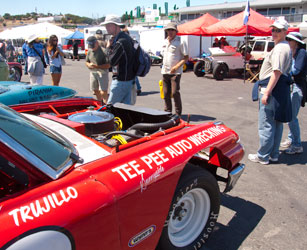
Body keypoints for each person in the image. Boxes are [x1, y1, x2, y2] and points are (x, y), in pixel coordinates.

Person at [248, 19, 292, 165]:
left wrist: (267, 92)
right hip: (279, 90)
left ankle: (263, 155)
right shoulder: (284, 47)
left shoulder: (280, 48)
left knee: (266, 124)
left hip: (272, 89)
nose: (274, 33)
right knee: (277, 123)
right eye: (273, 30)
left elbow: (276, 72)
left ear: (285, 32)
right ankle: (273, 154)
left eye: (278, 30)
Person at [280, 32, 306, 154]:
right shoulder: (293, 53)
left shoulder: (301, 53)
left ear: (296, 42)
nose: (288, 41)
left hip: (298, 87)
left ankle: (297, 145)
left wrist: (284, 70)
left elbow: (296, 70)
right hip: (293, 86)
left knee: (291, 117)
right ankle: (291, 139)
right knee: (291, 116)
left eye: (290, 40)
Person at [101, 14, 136, 105]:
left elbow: (111, 61)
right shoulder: (125, 38)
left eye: (109, 25)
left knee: (111, 108)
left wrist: (108, 48)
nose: (106, 27)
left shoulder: (120, 41)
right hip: (128, 78)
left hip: (121, 80)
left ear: (116, 26)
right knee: (125, 110)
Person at [161, 22, 188, 116]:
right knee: (165, 93)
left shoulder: (181, 42)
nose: (170, 32)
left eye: (172, 30)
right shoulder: (165, 41)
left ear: (176, 31)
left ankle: (177, 114)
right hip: (165, 71)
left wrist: (176, 66)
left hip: (175, 73)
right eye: (169, 30)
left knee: (175, 92)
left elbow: (186, 57)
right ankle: (167, 113)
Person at [85, 36, 110, 103]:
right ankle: (100, 102)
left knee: (103, 91)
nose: (92, 48)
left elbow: (108, 65)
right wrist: (89, 65)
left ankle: (106, 104)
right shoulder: (90, 51)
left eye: (93, 46)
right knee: (95, 90)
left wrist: (98, 66)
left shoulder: (103, 51)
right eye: (91, 46)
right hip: (93, 73)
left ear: (96, 43)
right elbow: (86, 61)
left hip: (102, 73)